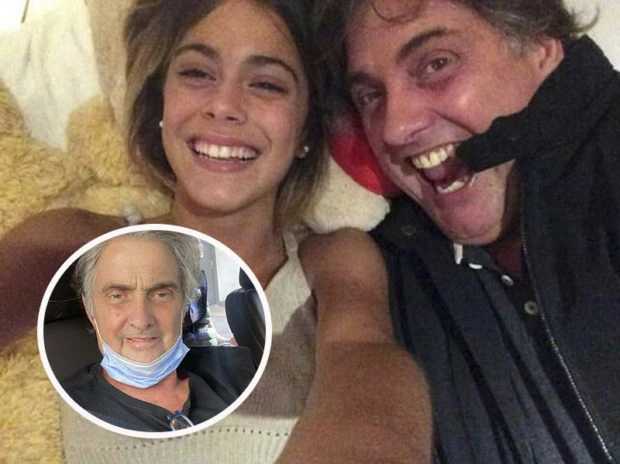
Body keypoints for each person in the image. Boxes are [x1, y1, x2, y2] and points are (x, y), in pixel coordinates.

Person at [0, 0, 431, 462]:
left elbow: (367, 363)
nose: (224, 106)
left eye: (266, 84)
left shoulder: (332, 264)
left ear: (306, 129)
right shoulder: (74, 243)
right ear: (161, 104)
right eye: (197, 74)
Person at [315, 0, 620, 462]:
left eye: (436, 64)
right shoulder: (389, 280)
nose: (395, 128)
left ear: (540, 47)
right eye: (371, 97)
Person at [60, 230, 254, 432]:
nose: (141, 321)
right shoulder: (60, 416)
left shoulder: (239, 370)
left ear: (184, 305)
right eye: (117, 296)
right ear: (90, 308)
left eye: (161, 294)